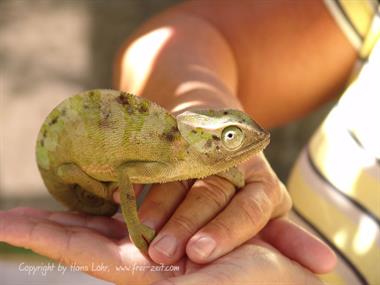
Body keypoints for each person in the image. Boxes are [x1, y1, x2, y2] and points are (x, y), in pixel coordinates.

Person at [0, 0, 378, 284]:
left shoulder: (187, 158)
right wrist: (199, 99)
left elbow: (130, 171)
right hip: (61, 155)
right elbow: (190, 35)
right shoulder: (178, 154)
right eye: (230, 136)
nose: (241, 148)